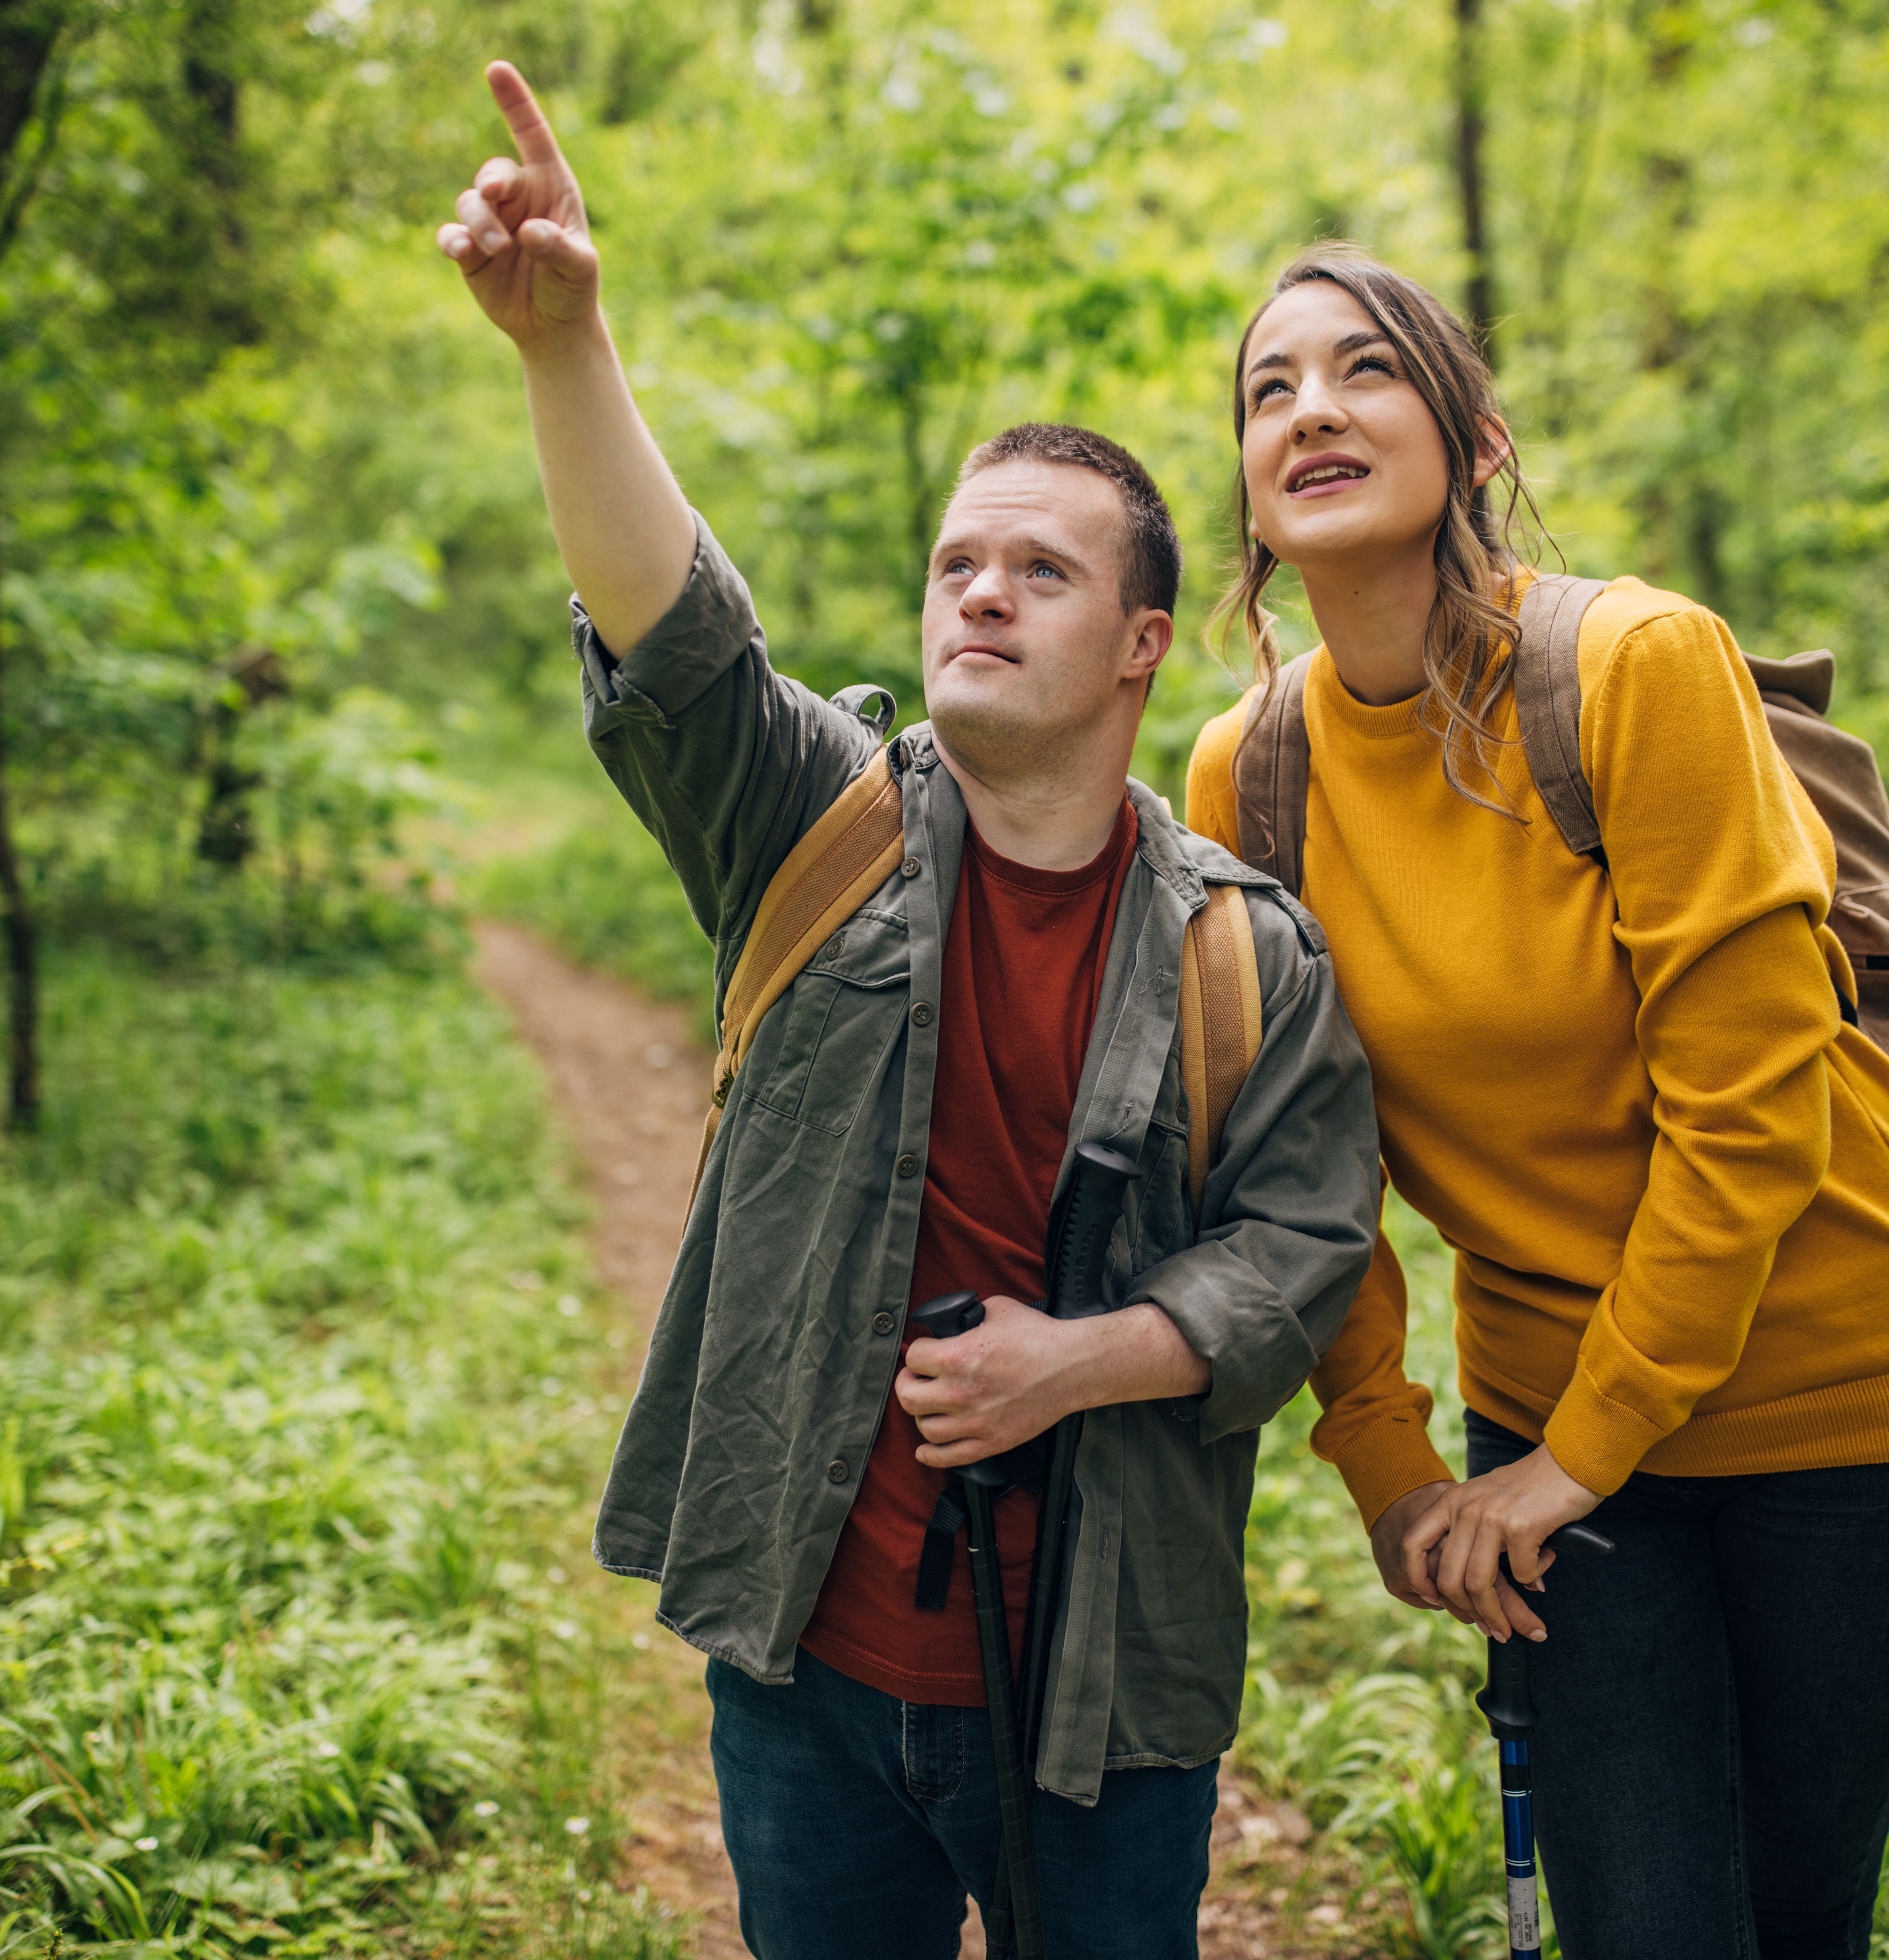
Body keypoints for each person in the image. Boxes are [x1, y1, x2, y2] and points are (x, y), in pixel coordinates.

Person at [437, 64, 1379, 1960]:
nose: (982, 592)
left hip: (1107, 1703)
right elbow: (680, 634)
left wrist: (1082, 1358)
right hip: (806, 1665)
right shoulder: (822, 827)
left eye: (1042, 569)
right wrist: (565, 348)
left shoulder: (1242, 955)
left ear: (1137, 649)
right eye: (960, 561)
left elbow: (1310, 1249)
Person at [1181, 248, 1889, 1960]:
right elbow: (1301, 1169)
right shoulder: (1244, 774)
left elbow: (1752, 1109)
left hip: (1862, 1411)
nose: (1313, 410)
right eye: (1272, 391)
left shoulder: (1638, 667)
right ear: (1255, 502)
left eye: (1367, 373)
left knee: (1795, 1920)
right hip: (1556, 1439)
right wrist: (1389, 1463)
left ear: (1475, 444)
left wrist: (1580, 1458)